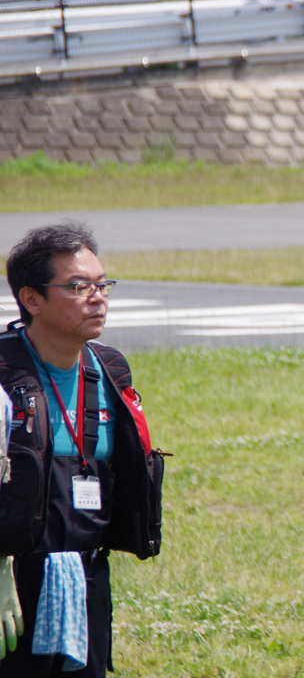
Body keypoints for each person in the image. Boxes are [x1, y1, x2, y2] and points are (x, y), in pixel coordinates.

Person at [0, 221, 163, 677]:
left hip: (86, 575)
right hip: (10, 575)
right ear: (31, 299)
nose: (98, 296)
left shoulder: (110, 368)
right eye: (77, 286)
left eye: (101, 283)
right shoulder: (3, 374)